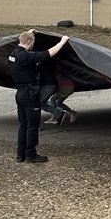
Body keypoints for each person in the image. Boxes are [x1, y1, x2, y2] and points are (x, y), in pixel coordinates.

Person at [8, 29, 70, 163]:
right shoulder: (27, 57)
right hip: (30, 95)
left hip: (19, 93)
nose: (33, 45)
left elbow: (23, 38)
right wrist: (63, 41)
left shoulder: (13, 54)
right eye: (32, 42)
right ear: (29, 42)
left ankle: (20, 154)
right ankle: (31, 154)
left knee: (23, 125)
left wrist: (29, 32)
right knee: (33, 125)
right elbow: (50, 53)